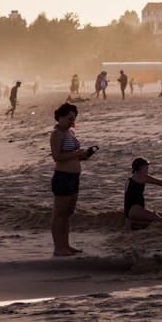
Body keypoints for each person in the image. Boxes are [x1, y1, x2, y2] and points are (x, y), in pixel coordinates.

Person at [49, 102, 96, 255]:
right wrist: (76, 154)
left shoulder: (71, 133)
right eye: (69, 118)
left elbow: (74, 156)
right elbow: (57, 157)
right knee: (59, 213)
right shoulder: (56, 134)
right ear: (60, 117)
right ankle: (58, 247)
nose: (71, 122)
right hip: (63, 177)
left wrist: (85, 155)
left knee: (68, 213)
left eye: (73, 119)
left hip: (74, 176)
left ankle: (66, 245)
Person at [124, 157, 162, 230]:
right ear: (140, 167)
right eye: (146, 166)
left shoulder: (130, 180)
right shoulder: (142, 177)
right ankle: (135, 223)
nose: (148, 168)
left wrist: (127, 217)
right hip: (136, 210)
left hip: (130, 212)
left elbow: (126, 200)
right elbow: (161, 183)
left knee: (154, 222)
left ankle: (135, 222)